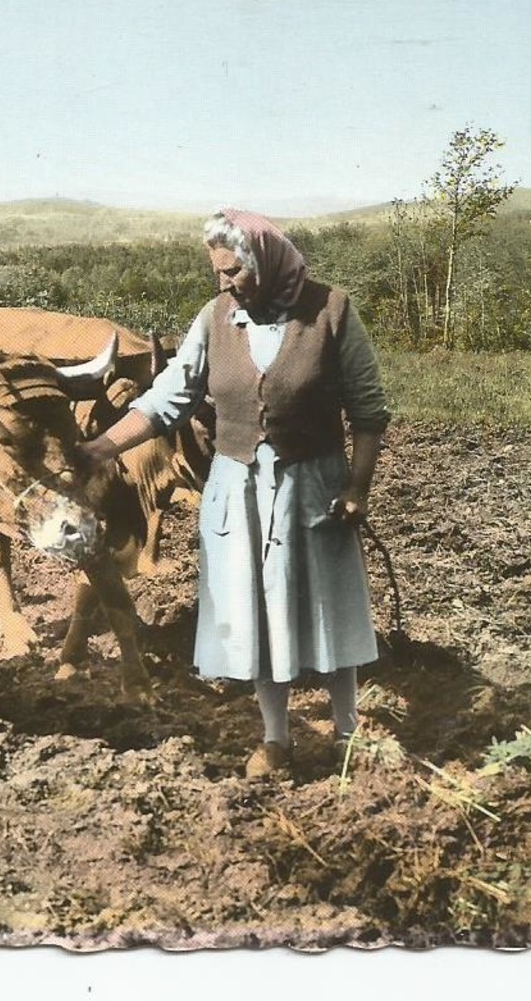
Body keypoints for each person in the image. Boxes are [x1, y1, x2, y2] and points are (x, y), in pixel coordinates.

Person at [79, 209, 389, 778]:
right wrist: (97, 448)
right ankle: (276, 739)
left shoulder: (332, 311)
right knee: (256, 610)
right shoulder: (215, 318)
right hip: (238, 487)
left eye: (232, 272)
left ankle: (348, 733)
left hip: (312, 484)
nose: (223, 283)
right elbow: (165, 400)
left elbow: (369, 412)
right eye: (217, 272)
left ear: (264, 263)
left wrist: (357, 487)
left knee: (327, 605)